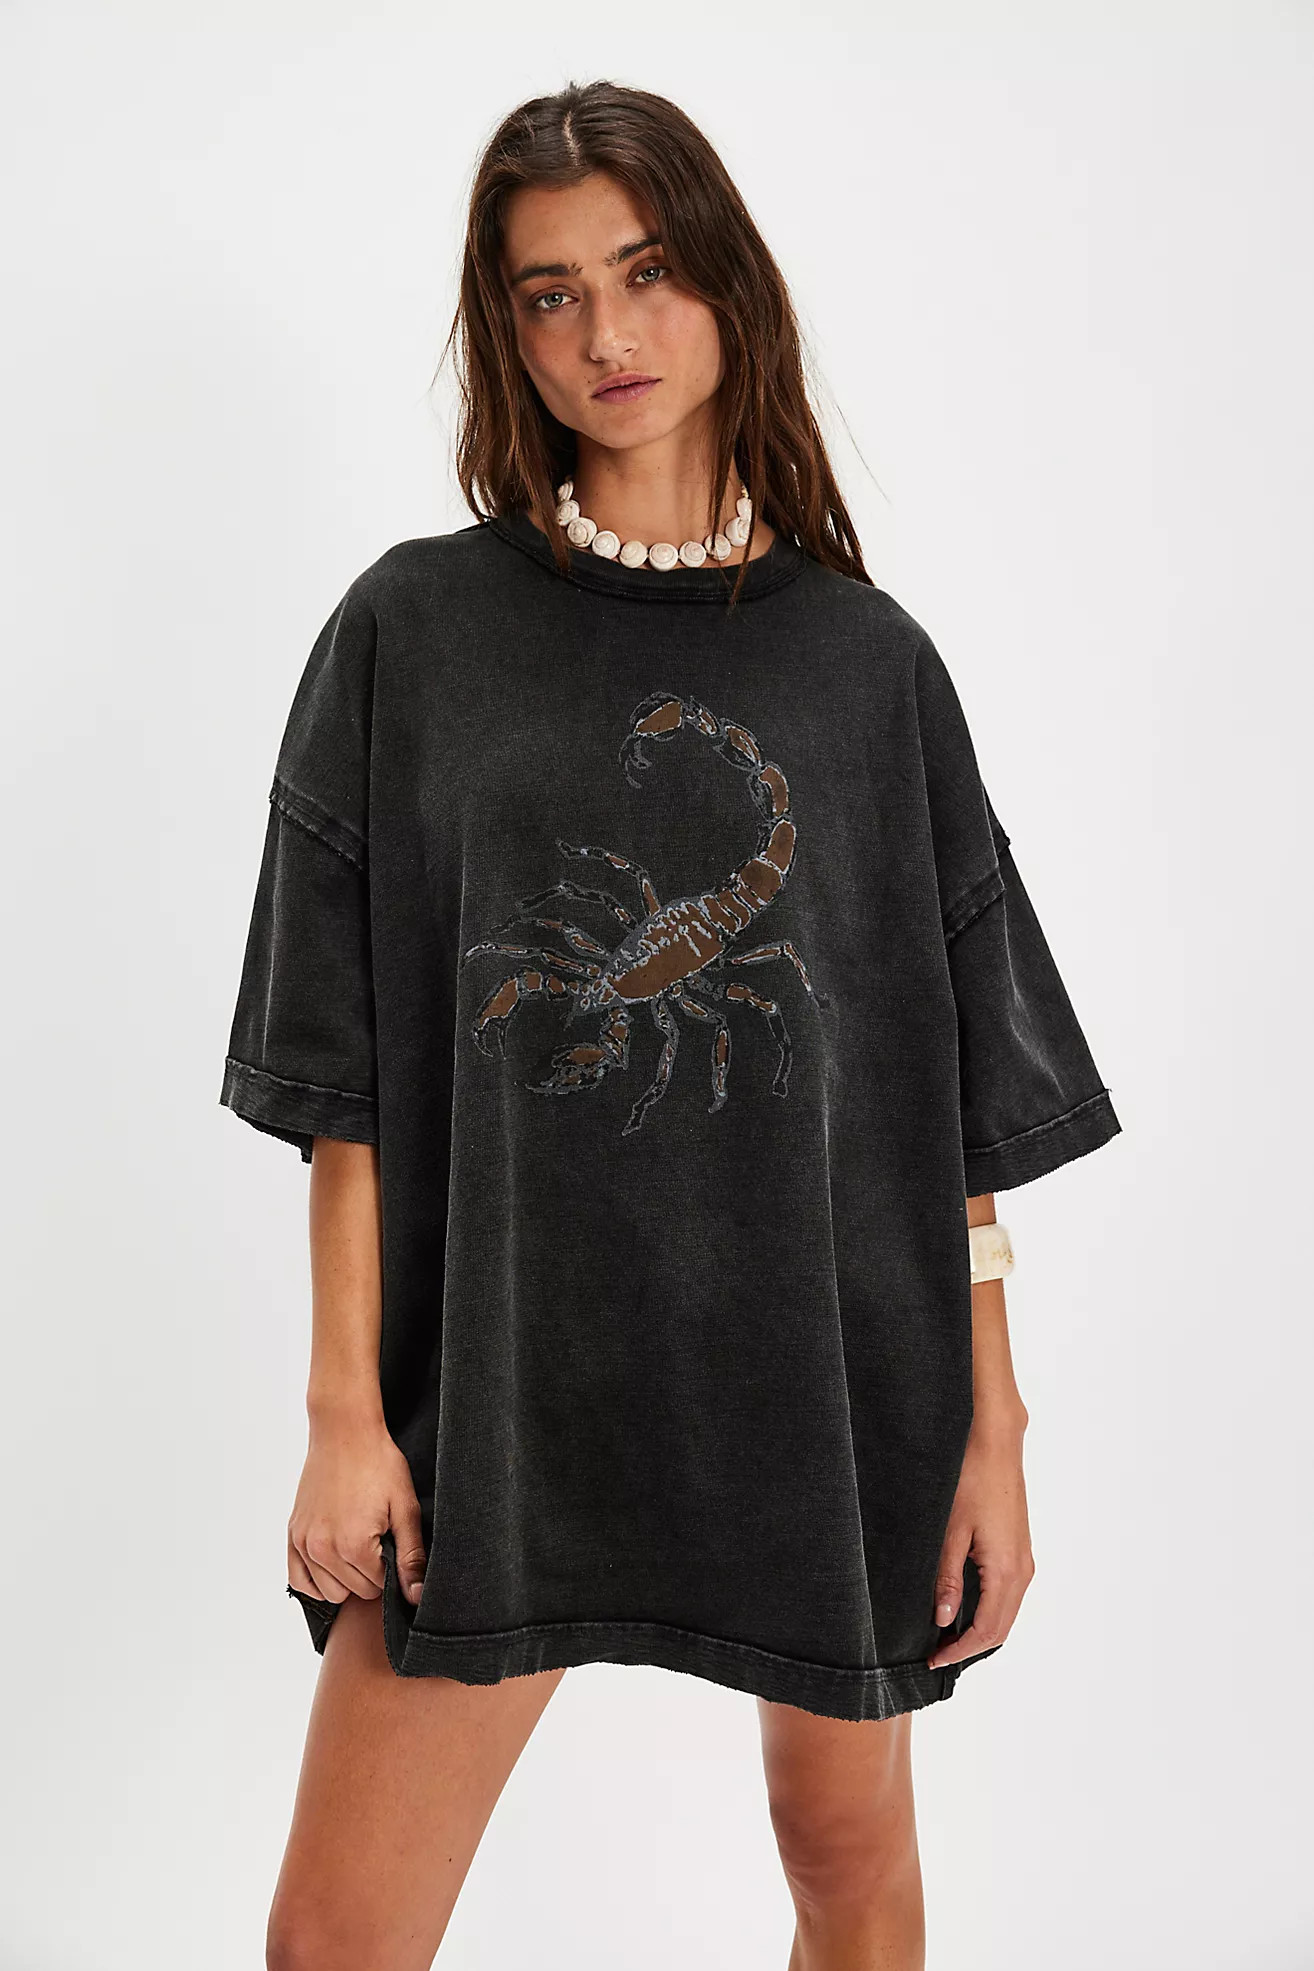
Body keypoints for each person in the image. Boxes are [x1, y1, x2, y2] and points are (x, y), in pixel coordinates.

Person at [221, 79, 1122, 1971]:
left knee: (844, 1865)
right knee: (335, 1941)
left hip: (820, 1372)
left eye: (643, 272)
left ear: (725, 282)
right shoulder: (412, 632)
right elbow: (344, 1078)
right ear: (506, 332)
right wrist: (339, 1418)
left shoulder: (865, 665)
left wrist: (996, 1422)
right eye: (547, 294)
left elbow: (940, 1093)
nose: (604, 334)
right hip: (500, 1383)